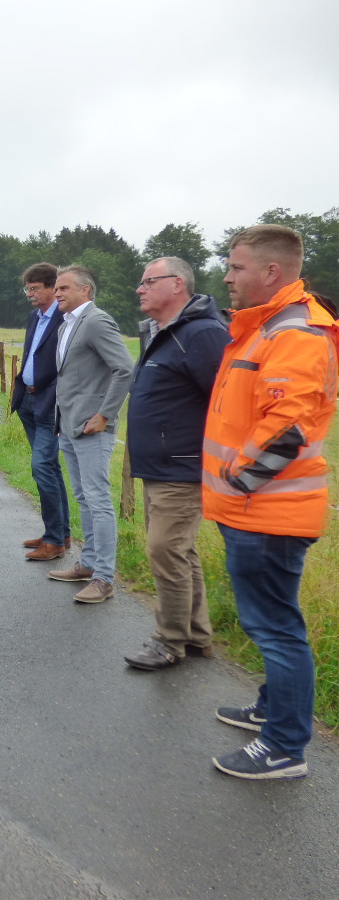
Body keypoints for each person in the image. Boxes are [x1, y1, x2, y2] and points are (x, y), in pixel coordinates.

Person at [204, 225, 339, 780]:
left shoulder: (296, 333)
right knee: (272, 621)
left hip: (265, 511)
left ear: (272, 272)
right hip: (256, 509)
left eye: (236, 268)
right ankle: (273, 708)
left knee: (276, 628)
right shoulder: (269, 327)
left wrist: (236, 483)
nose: (227, 277)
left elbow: (287, 429)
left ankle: (285, 746)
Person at [122, 257, 229, 670]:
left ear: (177, 285)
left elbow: (224, 401)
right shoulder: (166, 332)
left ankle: (168, 641)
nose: (140, 289)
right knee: (178, 552)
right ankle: (198, 636)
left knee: (165, 550)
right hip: (161, 464)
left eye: (149, 281)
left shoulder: (201, 333)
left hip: (182, 464)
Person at [47, 265, 132, 603]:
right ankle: (88, 564)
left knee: (98, 500)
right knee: (83, 497)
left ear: (85, 291)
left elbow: (124, 367)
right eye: (56, 289)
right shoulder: (66, 325)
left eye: (64, 288)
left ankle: (103, 577)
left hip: (92, 427)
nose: (57, 294)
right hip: (69, 426)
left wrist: (105, 415)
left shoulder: (95, 321)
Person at [9, 264, 69, 557]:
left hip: (49, 403)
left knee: (41, 466)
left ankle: (54, 541)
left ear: (51, 287)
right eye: (27, 289)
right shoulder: (35, 316)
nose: (30, 294)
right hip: (28, 401)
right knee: (51, 468)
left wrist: (54, 394)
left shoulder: (65, 318)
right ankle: (60, 534)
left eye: (35, 288)